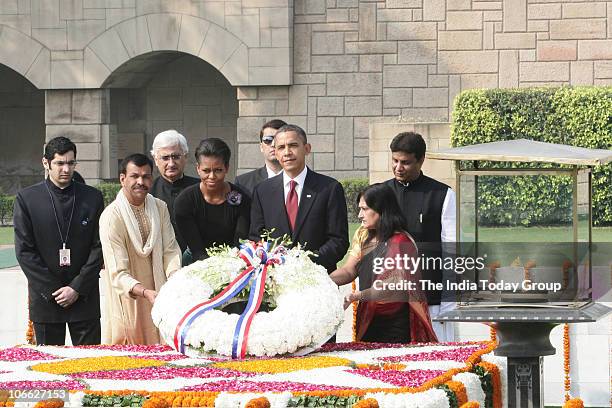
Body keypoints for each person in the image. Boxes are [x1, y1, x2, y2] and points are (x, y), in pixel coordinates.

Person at [14, 136, 104, 345]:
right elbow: (25, 252)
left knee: (90, 364)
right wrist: (54, 290)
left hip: (84, 296)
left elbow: (99, 247)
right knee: (49, 369)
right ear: (45, 163)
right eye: (59, 163)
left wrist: (76, 288)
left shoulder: (92, 197)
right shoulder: (27, 199)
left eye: (70, 163)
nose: (66, 169)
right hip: (46, 298)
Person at [330, 183, 437, 343]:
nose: (360, 215)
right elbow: (349, 270)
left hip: (395, 325)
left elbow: (391, 287)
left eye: (365, 209)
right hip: (368, 319)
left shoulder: (400, 242)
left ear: (381, 209)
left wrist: (356, 296)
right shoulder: (363, 235)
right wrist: (321, 279)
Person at [99, 153, 181, 344]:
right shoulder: (112, 217)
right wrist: (145, 292)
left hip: (160, 297)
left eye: (145, 176)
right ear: (122, 179)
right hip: (130, 301)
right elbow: (117, 272)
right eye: (134, 176)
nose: (140, 182)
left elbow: (170, 250)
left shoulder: (160, 208)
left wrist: (175, 281)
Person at [384, 131, 456, 342]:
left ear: (421, 160)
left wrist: (448, 302)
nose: (398, 167)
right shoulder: (380, 193)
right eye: (395, 161)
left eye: (405, 162)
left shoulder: (442, 194)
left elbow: (451, 249)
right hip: (390, 299)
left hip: (430, 297)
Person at [249, 124, 349, 273]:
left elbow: (338, 241)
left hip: (316, 278)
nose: (287, 152)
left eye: (293, 145)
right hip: (275, 279)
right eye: (281, 147)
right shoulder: (262, 191)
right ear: (275, 153)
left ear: (307, 149)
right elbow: (256, 237)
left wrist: (305, 262)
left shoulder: (329, 188)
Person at [174, 138, 251, 263]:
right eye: (206, 171)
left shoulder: (241, 198)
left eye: (218, 170)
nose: (212, 177)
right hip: (195, 261)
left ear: (226, 168)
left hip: (234, 260)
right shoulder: (185, 201)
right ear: (198, 168)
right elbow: (197, 250)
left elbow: (240, 242)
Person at [150, 130, 199, 253]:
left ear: (186, 157)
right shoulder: (148, 192)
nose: (171, 164)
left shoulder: (200, 188)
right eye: (165, 158)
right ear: (156, 160)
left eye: (176, 157)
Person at [234, 119, 286, 197]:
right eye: (268, 140)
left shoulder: (304, 179)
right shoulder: (243, 183)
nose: (273, 144)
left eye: (278, 140)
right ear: (261, 147)